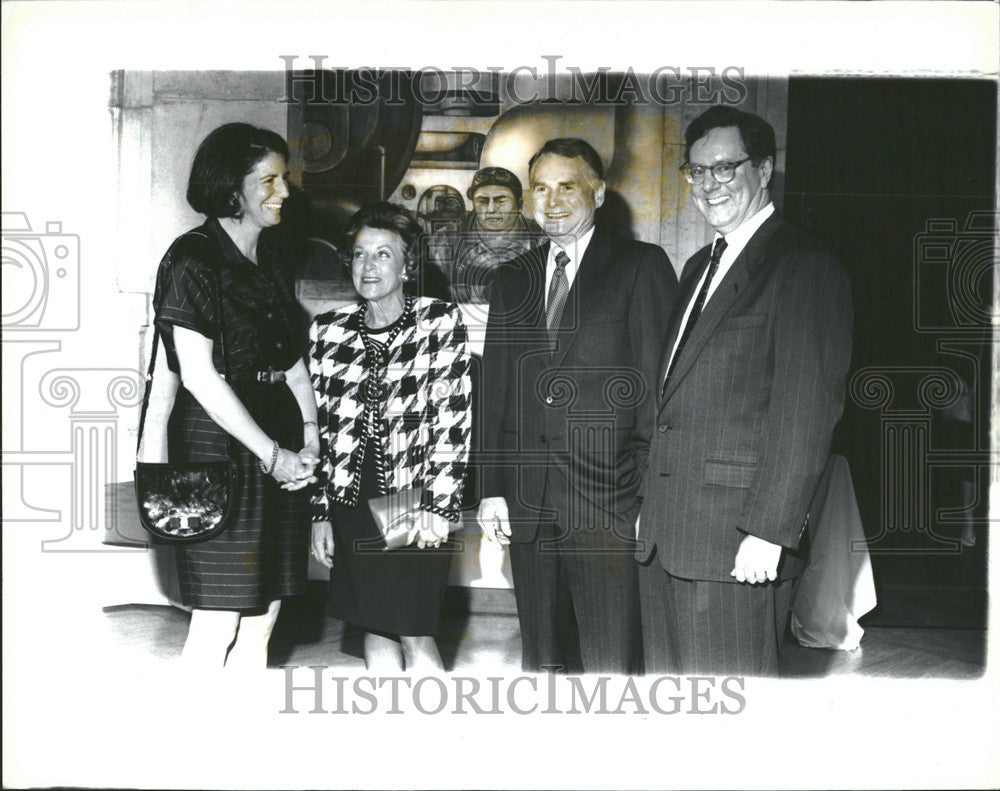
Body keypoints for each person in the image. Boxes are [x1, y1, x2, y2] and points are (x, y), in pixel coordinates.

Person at [636, 105, 853, 676]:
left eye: (726, 168)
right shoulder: (696, 270)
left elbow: (805, 414)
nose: (709, 185)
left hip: (738, 543)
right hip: (668, 536)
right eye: (697, 171)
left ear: (765, 168)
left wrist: (768, 530)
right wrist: (648, 507)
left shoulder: (806, 266)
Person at [477, 138, 678, 674]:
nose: (552, 200)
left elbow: (660, 394)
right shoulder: (511, 278)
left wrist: (645, 501)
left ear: (599, 191)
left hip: (609, 504)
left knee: (611, 659)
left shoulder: (641, 266)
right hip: (529, 503)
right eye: (539, 188)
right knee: (541, 659)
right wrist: (493, 488)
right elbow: (496, 389)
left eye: (568, 186)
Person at [149, 122, 319, 670]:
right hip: (219, 448)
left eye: (284, 178)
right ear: (231, 188)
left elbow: (292, 362)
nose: (285, 192)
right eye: (268, 180)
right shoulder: (193, 258)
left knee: (263, 618)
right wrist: (274, 456)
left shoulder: (271, 260)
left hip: (280, 443)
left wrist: (310, 440)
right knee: (217, 618)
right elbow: (196, 376)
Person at [309, 202, 473, 672]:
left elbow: (453, 420)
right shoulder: (328, 330)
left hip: (411, 498)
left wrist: (440, 507)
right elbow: (320, 429)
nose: (368, 265)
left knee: (414, 629)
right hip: (350, 501)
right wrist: (321, 512)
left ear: (408, 266)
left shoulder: (438, 322)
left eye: (383, 254)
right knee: (372, 624)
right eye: (360, 254)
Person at [428, 166, 542, 303]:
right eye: (482, 201)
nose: (491, 209)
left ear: (519, 205)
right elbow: (433, 296)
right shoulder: (445, 241)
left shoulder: (542, 240)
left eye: (501, 201)